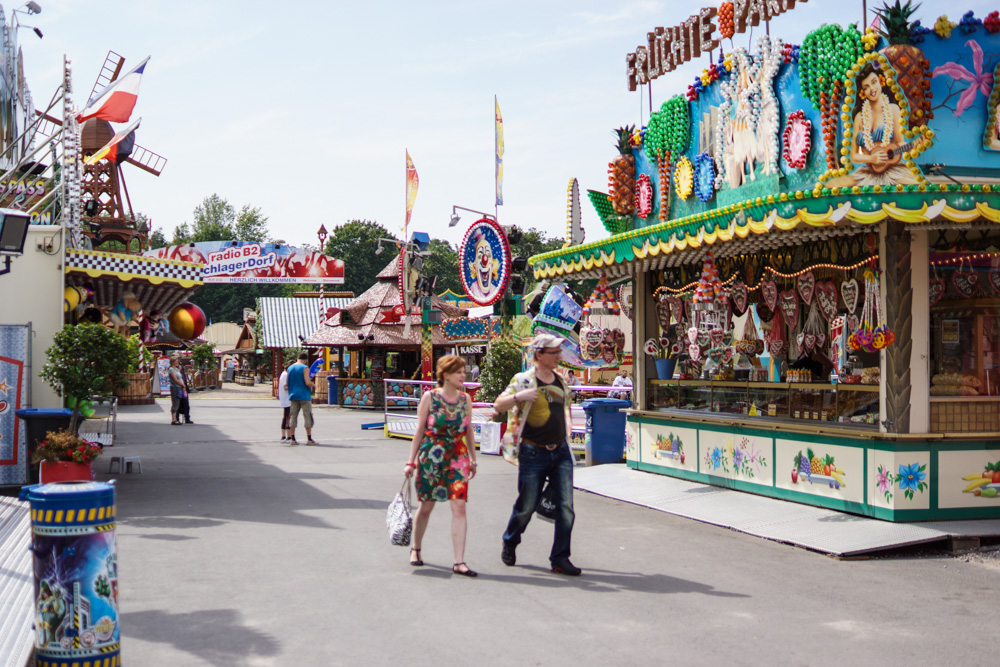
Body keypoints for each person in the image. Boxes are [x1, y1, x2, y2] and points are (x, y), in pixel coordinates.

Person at [494, 332, 580, 576]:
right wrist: (519, 397)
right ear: (539, 355)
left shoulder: (561, 381)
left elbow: (565, 408)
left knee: (566, 506)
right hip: (533, 452)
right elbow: (499, 405)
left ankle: (560, 558)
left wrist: (568, 425)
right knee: (527, 504)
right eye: (554, 353)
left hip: (560, 451)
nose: (559, 357)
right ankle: (510, 540)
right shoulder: (523, 380)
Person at [403, 355, 478, 577]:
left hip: (457, 457)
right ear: (445, 375)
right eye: (459, 372)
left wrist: (473, 458)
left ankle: (459, 562)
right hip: (431, 457)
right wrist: (410, 461)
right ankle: (416, 549)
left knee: (459, 506)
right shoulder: (430, 397)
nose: (463, 376)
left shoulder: (465, 399)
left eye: (464, 372)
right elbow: (419, 430)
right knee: (427, 505)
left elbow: (469, 429)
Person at [287, 352, 316, 445]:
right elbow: (307, 382)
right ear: (305, 360)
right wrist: (313, 385)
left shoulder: (290, 368)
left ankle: (292, 438)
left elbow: (287, 383)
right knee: (307, 416)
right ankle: (309, 439)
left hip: (293, 395)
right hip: (304, 395)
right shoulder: (304, 368)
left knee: (293, 416)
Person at [168, 354, 192, 425]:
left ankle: (185, 418)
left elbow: (181, 377)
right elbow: (175, 379)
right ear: (173, 361)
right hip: (176, 387)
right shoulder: (171, 369)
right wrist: (182, 384)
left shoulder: (177, 368)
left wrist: (184, 386)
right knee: (176, 403)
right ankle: (174, 419)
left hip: (181, 387)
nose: (178, 361)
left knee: (183, 403)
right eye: (176, 360)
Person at [278, 361, 292, 442]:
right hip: (287, 399)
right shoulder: (286, 375)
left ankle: (284, 436)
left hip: (284, 398)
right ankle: (288, 436)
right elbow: (285, 387)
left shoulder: (283, 374)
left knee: (285, 416)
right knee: (288, 417)